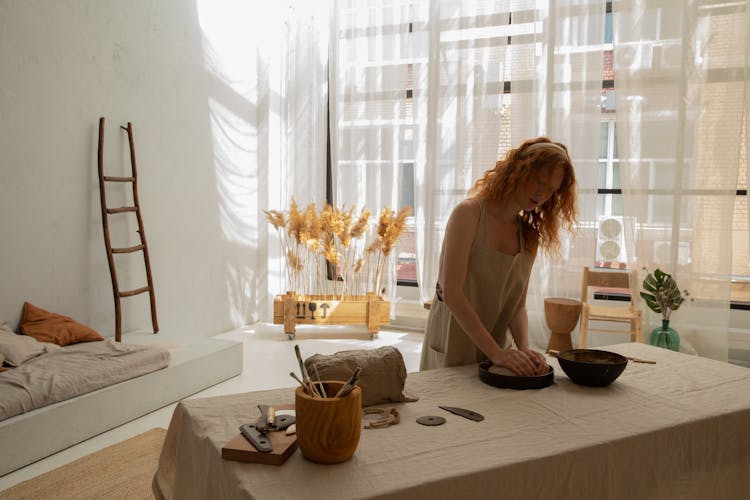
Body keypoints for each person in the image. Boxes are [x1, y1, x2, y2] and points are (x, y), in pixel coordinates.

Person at [420, 137, 578, 375]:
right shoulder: (469, 214)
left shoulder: (529, 237)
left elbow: (517, 308)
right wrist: (496, 353)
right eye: (539, 181)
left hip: (497, 348)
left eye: (551, 190)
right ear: (517, 171)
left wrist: (524, 350)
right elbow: (452, 293)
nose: (542, 194)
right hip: (453, 341)